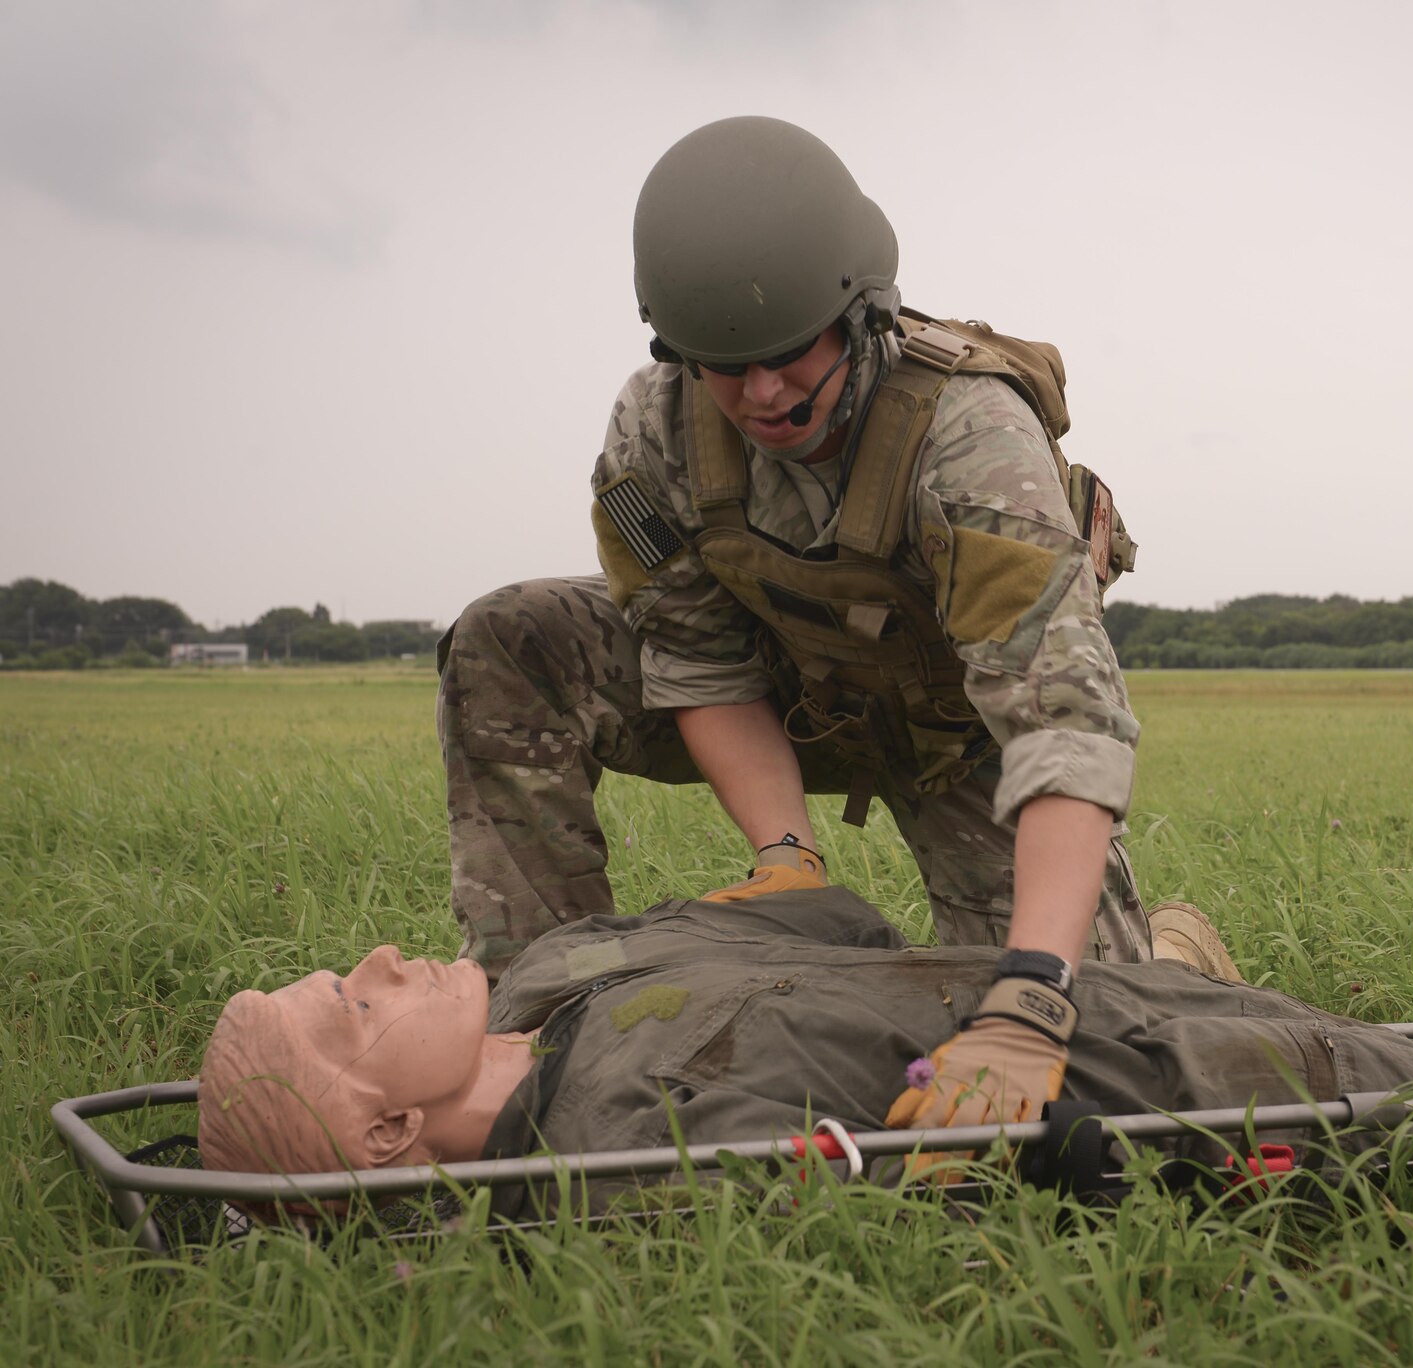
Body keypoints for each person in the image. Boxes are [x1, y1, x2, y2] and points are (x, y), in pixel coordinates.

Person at [437, 115, 1229, 1130]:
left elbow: (1059, 727)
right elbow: (699, 656)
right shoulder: (656, 427)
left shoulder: (969, 435)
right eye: (724, 364)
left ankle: (1168, 954)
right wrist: (784, 856)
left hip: (961, 734)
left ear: (859, 312)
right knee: (516, 636)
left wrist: (1030, 996)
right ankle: (550, 1022)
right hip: (794, 694)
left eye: (786, 354)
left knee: (1098, 1032)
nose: (761, 393)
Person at [198, 887, 1413, 1215]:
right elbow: (964, 1205)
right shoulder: (637, 1130)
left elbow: (820, 917)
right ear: (392, 1131)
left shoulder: (558, 968)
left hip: (1067, 990)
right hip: (1157, 1085)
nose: (381, 956)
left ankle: (1180, 968)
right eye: (351, 1005)